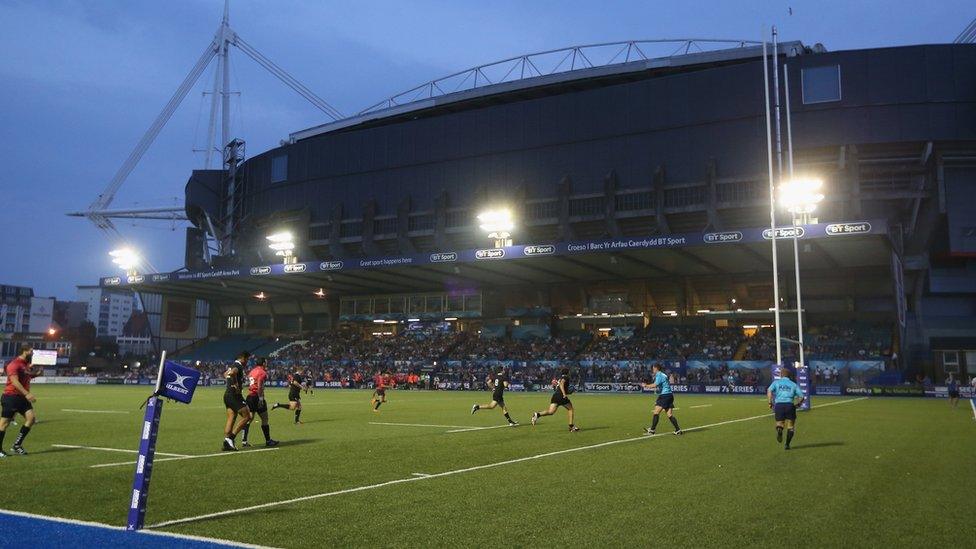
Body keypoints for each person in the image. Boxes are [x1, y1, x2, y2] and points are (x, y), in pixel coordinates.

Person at [0, 345, 39, 457]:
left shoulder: (25, 365)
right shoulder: (14, 364)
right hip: (11, 397)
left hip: (21, 398)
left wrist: (36, 374)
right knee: (4, 424)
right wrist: (27, 394)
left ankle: (17, 445)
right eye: (31, 351)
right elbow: (14, 382)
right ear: (24, 351)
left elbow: (26, 377)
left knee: (31, 419)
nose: (32, 353)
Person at [241, 358, 278, 447]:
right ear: (263, 363)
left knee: (249, 419)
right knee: (265, 419)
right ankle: (268, 441)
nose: (267, 363)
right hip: (257, 397)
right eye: (266, 362)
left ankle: (244, 441)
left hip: (250, 397)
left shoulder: (252, 371)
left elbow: (249, 383)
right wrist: (261, 399)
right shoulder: (262, 372)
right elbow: (260, 386)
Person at [767, 369, 806, 450]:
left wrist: (770, 402)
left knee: (780, 423)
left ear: (781, 375)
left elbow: (769, 390)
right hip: (789, 405)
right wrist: (798, 404)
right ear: (789, 376)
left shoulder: (776, 383)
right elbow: (802, 396)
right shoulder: (793, 384)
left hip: (779, 405)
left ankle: (779, 430)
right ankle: (787, 445)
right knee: (791, 426)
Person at [531, 367, 579, 432]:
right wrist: (564, 393)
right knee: (570, 409)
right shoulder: (566, 377)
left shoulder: (560, 378)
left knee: (551, 412)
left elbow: (559, 386)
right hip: (561, 396)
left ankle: (537, 414)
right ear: (568, 373)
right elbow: (561, 385)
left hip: (555, 396)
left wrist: (566, 392)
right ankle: (571, 427)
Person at [222, 351, 253, 451]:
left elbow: (225, 374)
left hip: (227, 395)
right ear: (243, 358)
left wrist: (232, 381)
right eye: (247, 359)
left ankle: (226, 441)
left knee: (232, 417)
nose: (247, 362)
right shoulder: (238, 366)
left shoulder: (232, 365)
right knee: (247, 416)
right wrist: (236, 384)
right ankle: (231, 438)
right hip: (235, 396)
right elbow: (232, 373)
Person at [645, 363, 682, 436]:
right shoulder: (664, 374)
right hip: (670, 395)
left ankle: (652, 430)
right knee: (669, 414)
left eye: (653, 368)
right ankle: (678, 430)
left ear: (656, 368)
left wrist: (646, 385)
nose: (652, 370)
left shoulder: (659, 375)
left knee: (656, 412)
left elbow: (655, 385)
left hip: (664, 396)